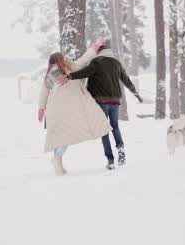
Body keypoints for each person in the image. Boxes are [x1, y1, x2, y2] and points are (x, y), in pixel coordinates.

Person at [58, 40, 142, 168]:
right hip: (115, 101)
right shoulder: (117, 63)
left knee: (104, 130)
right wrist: (136, 93)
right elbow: (126, 80)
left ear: (99, 51)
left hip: (101, 101)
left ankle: (110, 160)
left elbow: (84, 72)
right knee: (115, 126)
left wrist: (69, 77)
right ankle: (120, 148)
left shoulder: (96, 62)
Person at [36, 40, 114, 175]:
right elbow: (84, 60)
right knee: (65, 137)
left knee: (61, 137)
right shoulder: (69, 68)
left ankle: (58, 162)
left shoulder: (54, 73)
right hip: (66, 111)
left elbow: (44, 91)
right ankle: (57, 160)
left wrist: (41, 109)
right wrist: (93, 48)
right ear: (61, 60)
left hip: (57, 111)